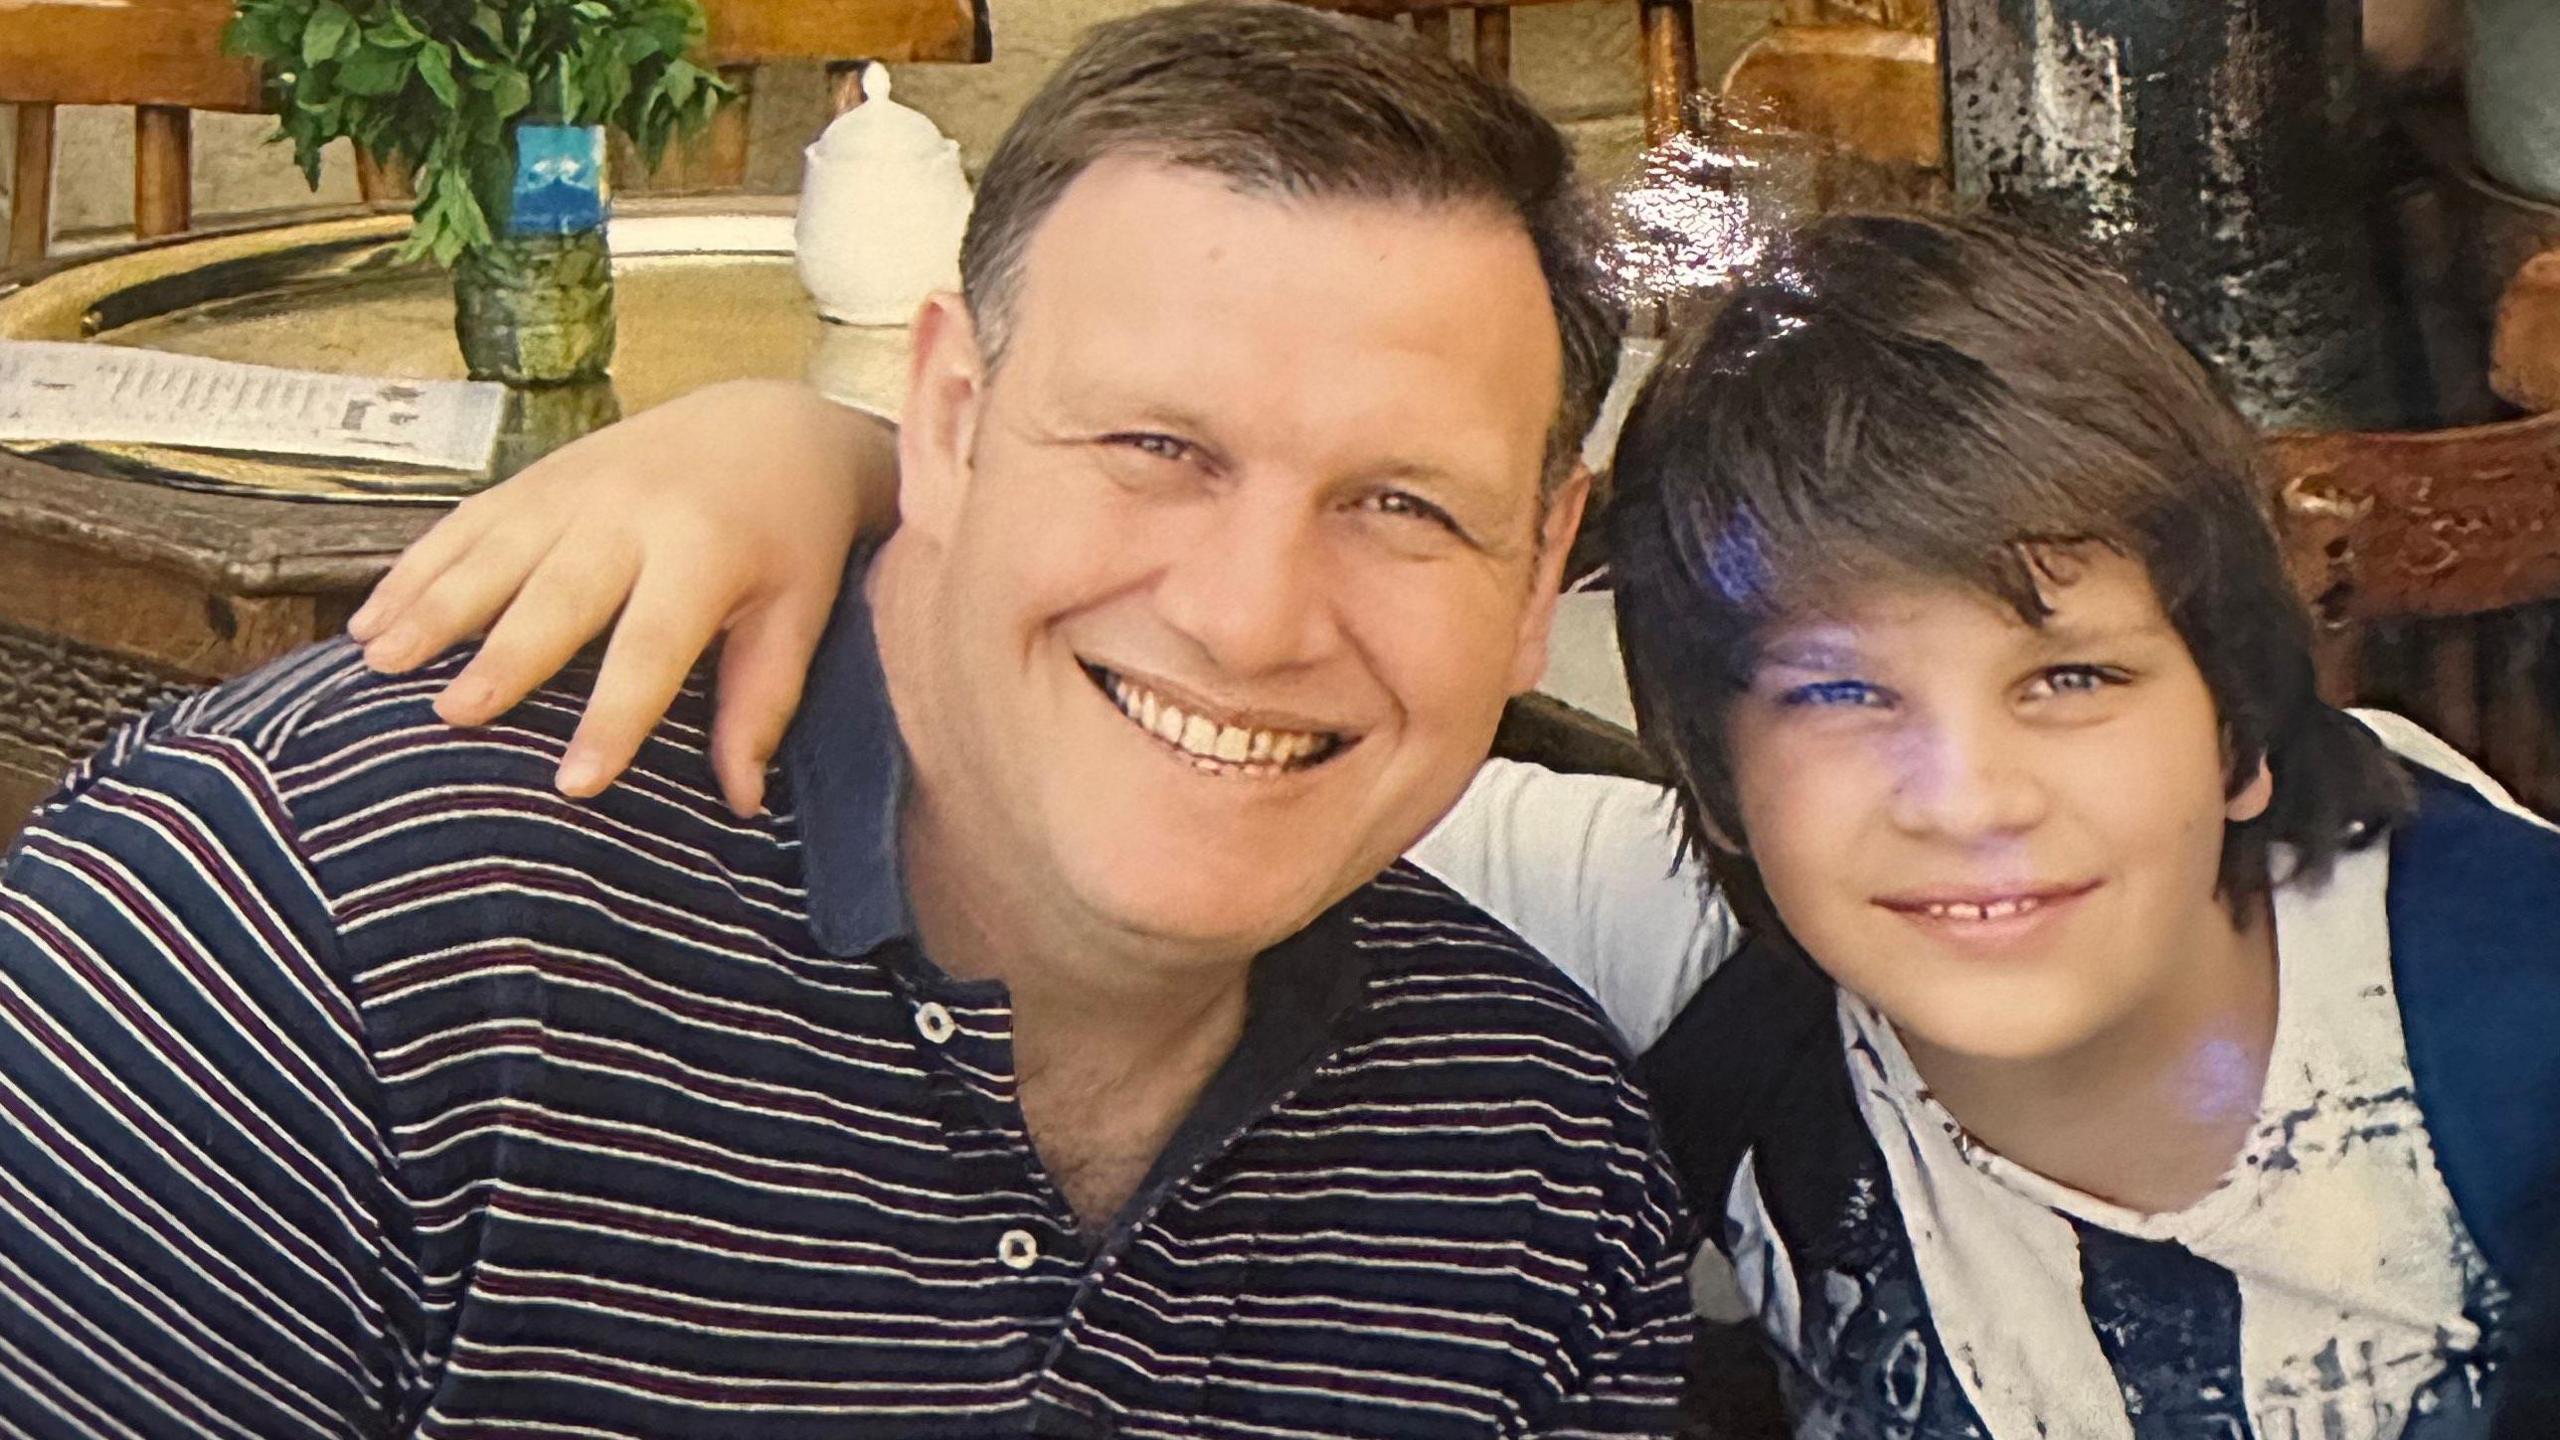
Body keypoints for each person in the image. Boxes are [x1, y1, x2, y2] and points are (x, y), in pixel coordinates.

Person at [360, 212, 2560, 1439]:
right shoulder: (1688, 945)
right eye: (1831, 697)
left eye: (2069, 678)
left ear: (2245, 729)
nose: (1961, 792)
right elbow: (1228, 725)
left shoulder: (2494, 1005)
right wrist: (819, 457)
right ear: (1707, 776)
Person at [0, 7, 1705, 1435]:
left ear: (1546, 559)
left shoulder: (1528, 1163)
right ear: (946, 421)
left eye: (1403, 504)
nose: (1251, 617)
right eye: (1153, 448)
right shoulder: (303, 934)